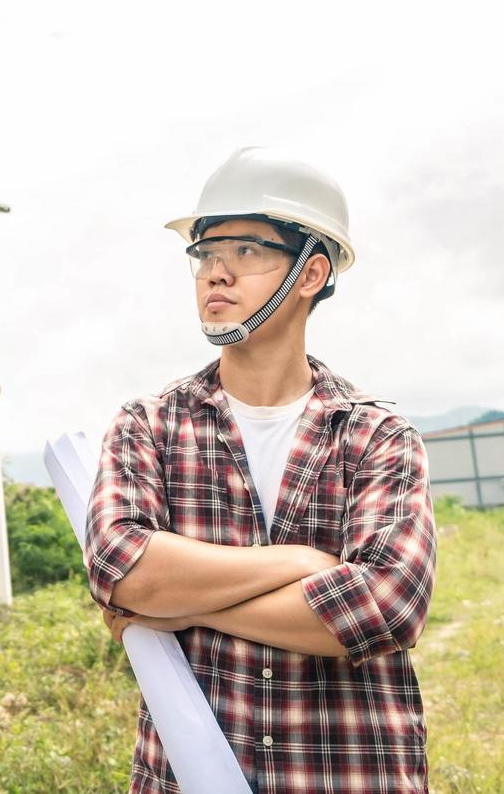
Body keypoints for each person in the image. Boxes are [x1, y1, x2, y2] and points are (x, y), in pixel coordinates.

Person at [83, 147, 437, 793]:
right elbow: (119, 566)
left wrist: (178, 609)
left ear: (311, 273)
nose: (216, 272)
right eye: (204, 253)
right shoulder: (150, 426)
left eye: (245, 250)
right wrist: (302, 564)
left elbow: (386, 606)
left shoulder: (376, 437)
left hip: (349, 775)